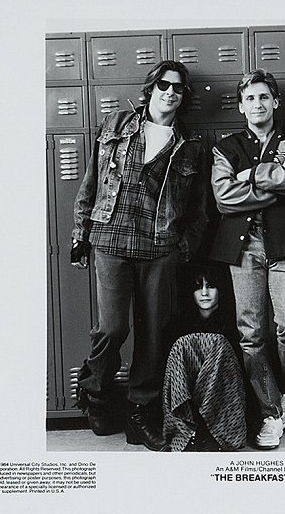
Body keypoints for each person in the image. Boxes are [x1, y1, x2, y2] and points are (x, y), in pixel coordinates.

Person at [70, 60, 209, 451]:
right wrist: (81, 232)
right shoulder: (116, 124)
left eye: (178, 88)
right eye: (164, 84)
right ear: (151, 88)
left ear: (184, 97)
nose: (170, 92)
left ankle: (139, 411)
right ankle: (95, 392)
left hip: (157, 246)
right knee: (113, 329)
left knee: (153, 334)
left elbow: (198, 210)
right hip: (111, 238)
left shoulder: (190, 145)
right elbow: (92, 182)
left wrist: (182, 247)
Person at [209, 69, 285, 450]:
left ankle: (284, 389)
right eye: (250, 98)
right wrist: (279, 187)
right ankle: (270, 412)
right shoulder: (225, 147)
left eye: (263, 97)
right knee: (251, 334)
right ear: (241, 106)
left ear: (275, 102)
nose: (257, 104)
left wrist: (252, 175)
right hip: (243, 247)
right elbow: (225, 198)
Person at [162, 265, 246, 452]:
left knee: (220, 344)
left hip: (223, 403)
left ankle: (211, 430)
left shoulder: (233, 324)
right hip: (187, 402)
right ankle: (186, 430)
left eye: (211, 286)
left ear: (221, 290)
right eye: (198, 287)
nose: (205, 293)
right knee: (181, 345)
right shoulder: (178, 326)